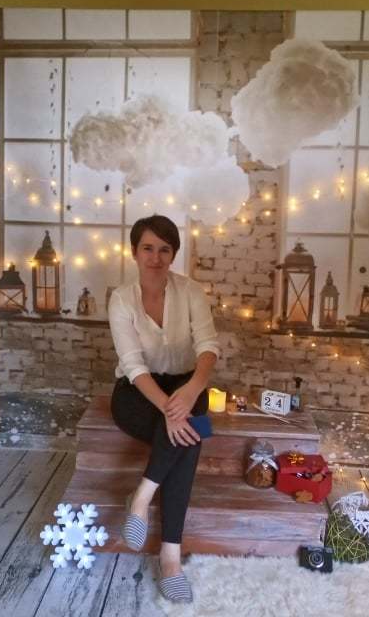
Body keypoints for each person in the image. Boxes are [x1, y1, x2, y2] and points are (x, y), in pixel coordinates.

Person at [108, 214, 219, 604]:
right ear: (134, 252)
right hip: (136, 391)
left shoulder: (191, 291)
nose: (155, 257)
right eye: (148, 248)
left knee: (191, 431)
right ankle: (170, 558)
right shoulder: (121, 299)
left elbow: (208, 346)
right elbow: (133, 365)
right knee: (189, 432)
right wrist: (171, 410)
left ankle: (142, 498)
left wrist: (191, 390)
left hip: (188, 384)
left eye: (164, 250)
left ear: (173, 254)